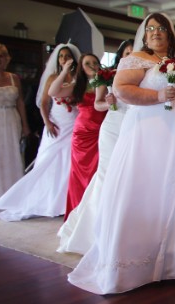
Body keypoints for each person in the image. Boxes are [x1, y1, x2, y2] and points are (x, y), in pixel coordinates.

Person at [67, 13, 175, 294]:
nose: (156, 33)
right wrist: (158, 97)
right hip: (149, 133)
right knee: (147, 190)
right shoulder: (136, 58)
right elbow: (122, 90)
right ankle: (138, 263)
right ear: (144, 35)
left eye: (161, 29)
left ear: (170, 35)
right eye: (151, 29)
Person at [57, 39, 133, 253]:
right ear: (120, 55)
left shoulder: (141, 72)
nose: (130, 55)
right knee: (105, 174)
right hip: (111, 124)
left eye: (133, 51)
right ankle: (96, 226)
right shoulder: (107, 76)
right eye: (126, 52)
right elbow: (99, 103)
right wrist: (108, 102)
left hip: (132, 125)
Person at [0, 44, 80, 220]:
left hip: (74, 122)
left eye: (67, 56)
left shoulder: (79, 78)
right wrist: (47, 122)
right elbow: (42, 103)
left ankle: (66, 201)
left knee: (71, 160)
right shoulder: (53, 78)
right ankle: (47, 199)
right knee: (49, 159)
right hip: (57, 121)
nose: (64, 59)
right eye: (61, 56)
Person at [48, 53, 106, 219]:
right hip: (82, 132)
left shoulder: (105, 81)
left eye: (95, 62)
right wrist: (65, 69)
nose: (92, 65)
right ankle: (77, 213)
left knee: (98, 170)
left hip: (102, 129)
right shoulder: (77, 85)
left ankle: (95, 212)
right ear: (82, 67)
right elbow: (53, 92)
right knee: (80, 172)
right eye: (87, 63)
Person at [0, 43, 30, 207]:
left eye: (1, 56)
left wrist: (25, 124)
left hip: (11, 118)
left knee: (12, 156)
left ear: (8, 58)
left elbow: (20, 102)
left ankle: (12, 199)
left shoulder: (14, 78)